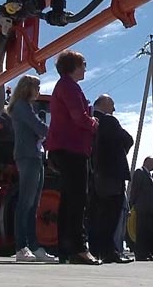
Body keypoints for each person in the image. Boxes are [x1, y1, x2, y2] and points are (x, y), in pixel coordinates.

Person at [45, 50, 100, 265]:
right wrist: (94, 123)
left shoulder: (63, 86)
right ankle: (79, 249)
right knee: (77, 200)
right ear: (74, 66)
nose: (85, 68)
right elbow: (79, 118)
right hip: (72, 149)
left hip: (64, 148)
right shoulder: (69, 87)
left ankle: (65, 249)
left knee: (68, 200)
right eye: (83, 64)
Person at [9, 75, 57, 263]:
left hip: (35, 156)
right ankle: (21, 247)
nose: (38, 91)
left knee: (34, 204)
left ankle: (34, 245)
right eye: (36, 87)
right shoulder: (21, 106)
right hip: (27, 155)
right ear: (27, 88)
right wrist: (54, 133)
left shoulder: (27, 106)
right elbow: (39, 128)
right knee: (25, 203)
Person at [90, 94, 134, 263]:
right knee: (111, 213)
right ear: (105, 103)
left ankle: (97, 250)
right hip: (111, 173)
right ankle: (109, 252)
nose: (114, 109)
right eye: (113, 104)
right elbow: (127, 139)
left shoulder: (90, 119)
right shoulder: (109, 120)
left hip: (94, 172)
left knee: (97, 214)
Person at [129, 157, 153, 261]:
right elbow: (135, 189)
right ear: (146, 162)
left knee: (148, 232)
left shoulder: (149, 175)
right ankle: (140, 254)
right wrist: (132, 204)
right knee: (141, 231)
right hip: (142, 207)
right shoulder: (140, 172)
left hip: (150, 209)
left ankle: (147, 253)